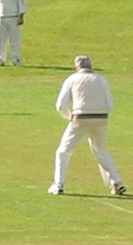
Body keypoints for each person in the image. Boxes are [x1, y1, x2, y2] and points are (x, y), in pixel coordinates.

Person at [49, 55, 127, 196]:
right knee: (101, 151)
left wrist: (69, 117)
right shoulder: (101, 79)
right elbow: (110, 104)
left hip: (80, 118)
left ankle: (58, 185)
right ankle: (117, 182)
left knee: (63, 151)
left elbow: (60, 105)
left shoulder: (72, 79)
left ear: (76, 66)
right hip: (101, 119)